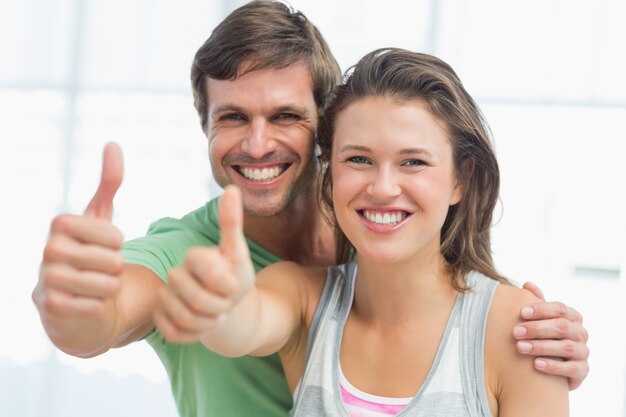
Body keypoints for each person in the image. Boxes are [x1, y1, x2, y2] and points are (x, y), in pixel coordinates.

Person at [32, 1, 587, 417]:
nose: (255, 144)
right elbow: (117, 319)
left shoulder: (384, 237)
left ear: (324, 133)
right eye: (231, 118)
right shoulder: (238, 271)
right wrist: (73, 305)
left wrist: (545, 347)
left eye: (283, 116)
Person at [158, 48, 569, 416]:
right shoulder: (302, 298)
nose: (383, 188)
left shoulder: (521, 331)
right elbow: (242, 325)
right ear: (329, 170)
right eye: (358, 159)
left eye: (413, 162)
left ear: (460, 179)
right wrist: (219, 305)